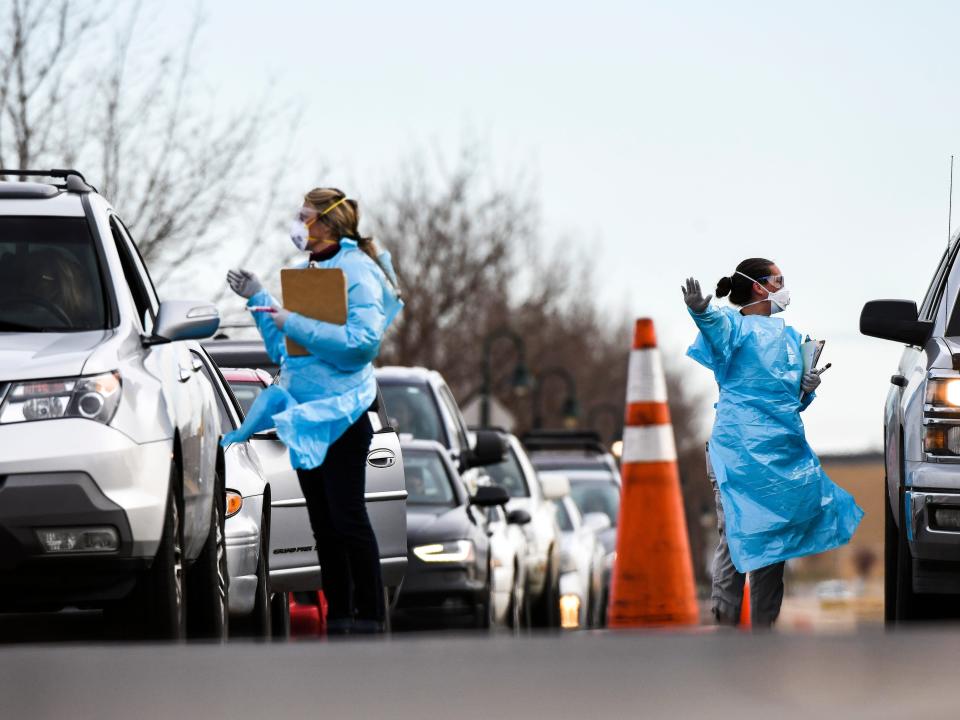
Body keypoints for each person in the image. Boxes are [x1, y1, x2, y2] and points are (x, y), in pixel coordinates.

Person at [224, 187, 402, 634]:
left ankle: (371, 618)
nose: (297, 222)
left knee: (348, 519)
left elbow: (361, 346)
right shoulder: (311, 272)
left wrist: (293, 320)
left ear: (325, 223)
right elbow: (285, 350)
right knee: (323, 526)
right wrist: (260, 301)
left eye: (304, 215)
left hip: (342, 418)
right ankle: (341, 617)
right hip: (305, 416)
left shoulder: (357, 271)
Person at [681, 258, 862, 629]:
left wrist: (806, 388)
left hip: (780, 452)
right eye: (778, 280)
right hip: (737, 453)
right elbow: (716, 327)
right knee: (735, 538)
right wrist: (699, 310)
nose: (784, 286)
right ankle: (725, 623)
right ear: (759, 287)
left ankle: (764, 631)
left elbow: (790, 402)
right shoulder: (735, 327)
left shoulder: (794, 340)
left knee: (775, 542)